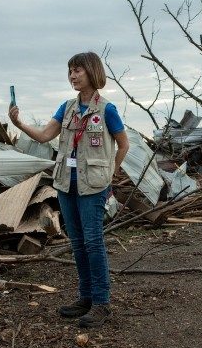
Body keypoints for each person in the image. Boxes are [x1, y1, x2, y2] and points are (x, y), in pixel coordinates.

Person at [8, 51, 129, 328]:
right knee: (77, 243)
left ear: (92, 72)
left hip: (94, 186)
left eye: (78, 71)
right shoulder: (66, 108)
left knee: (93, 242)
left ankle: (101, 303)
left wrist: (111, 173)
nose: (73, 76)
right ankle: (85, 298)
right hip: (66, 184)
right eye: (70, 71)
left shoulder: (106, 110)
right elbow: (44, 135)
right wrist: (19, 124)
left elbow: (123, 144)